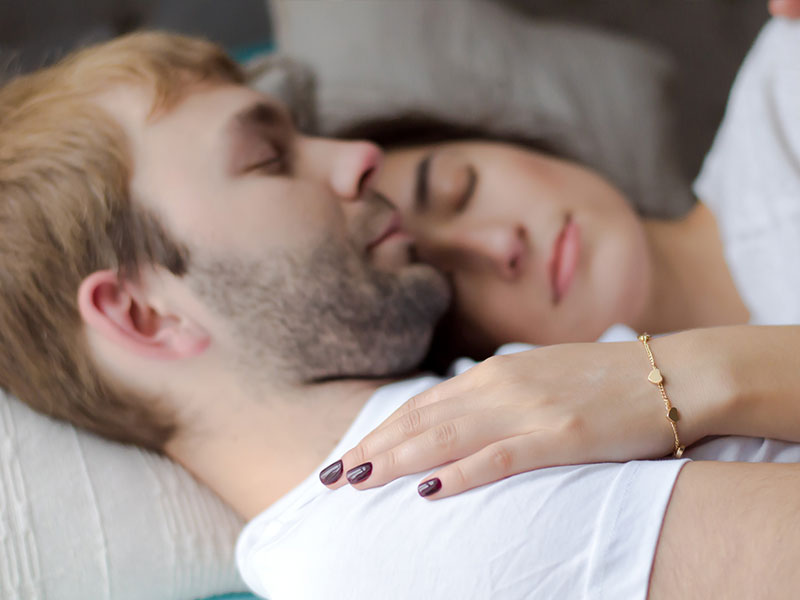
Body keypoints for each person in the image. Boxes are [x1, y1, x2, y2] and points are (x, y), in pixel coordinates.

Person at [1, 12, 800, 600]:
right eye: (269, 159)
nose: (359, 156)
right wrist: (683, 376)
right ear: (145, 316)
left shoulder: (457, 428)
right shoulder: (424, 529)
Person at [320, 3, 800, 503]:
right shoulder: (691, 487)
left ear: (510, 142)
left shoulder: (785, 88)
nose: (499, 245)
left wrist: (681, 378)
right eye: (451, 287)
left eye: (460, 187)